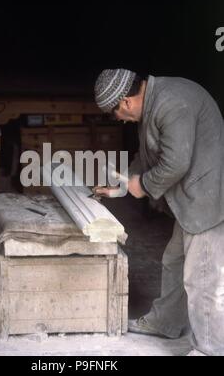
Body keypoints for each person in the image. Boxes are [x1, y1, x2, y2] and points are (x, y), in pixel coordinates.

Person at [93, 68, 224, 356]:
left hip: (206, 199)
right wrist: (122, 185)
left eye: (114, 113)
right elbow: (147, 156)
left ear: (125, 102)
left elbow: (176, 162)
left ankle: (209, 349)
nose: (118, 120)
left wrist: (145, 185)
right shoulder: (152, 103)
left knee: (201, 277)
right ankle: (166, 322)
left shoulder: (171, 103)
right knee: (174, 260)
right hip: (190, 199)